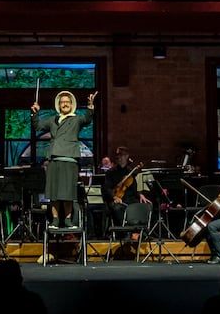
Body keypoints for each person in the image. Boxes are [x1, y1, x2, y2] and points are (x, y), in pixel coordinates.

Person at [31, 89, 96, 229]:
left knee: (68, 192)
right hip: (55, 158)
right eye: (62, 102)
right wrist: (35, 112)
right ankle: (55, 220)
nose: (65, 104)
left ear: (72, 104)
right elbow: (37, 126)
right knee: (54, 192)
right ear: (58, 105)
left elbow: (87, 119)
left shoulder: (77, 118)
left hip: (70, 159)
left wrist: (90, 106)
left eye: (67, 102)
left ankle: (67, 220)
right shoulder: (53, 119)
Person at [103, 145, 150, 228]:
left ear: (127, 156)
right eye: (117, 155)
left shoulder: (130, 172)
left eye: (121, 155)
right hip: (116, 200)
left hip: (130, 199)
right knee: (117, 209)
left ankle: (142, 231)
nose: (119, 157)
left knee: (146, 205)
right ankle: (127, 232)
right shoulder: (111, 172)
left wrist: (140, 195)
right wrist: (114, 197)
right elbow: (106, 188)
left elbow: (134, 189)